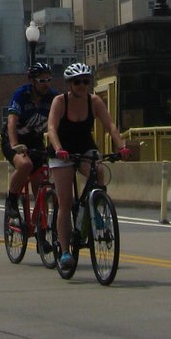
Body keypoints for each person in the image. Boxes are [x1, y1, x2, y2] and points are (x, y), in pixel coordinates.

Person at [46, 62, 129, 269]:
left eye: (85, 81)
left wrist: (122, 146)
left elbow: (110, 125)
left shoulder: (94, 102)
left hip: (84, 148)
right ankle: (65, 252)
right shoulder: (60, 101)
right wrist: (58, 149)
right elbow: (51, 128)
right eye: (77, 82)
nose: (82, 85)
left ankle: (93, 209)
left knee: (99, 171)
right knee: (65, 203)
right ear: (69, 84)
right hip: (62, 151)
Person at [2, 62, 58, 222]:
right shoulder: (21, 94)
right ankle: (11, 200)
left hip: (35, 141)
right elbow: (12, 121)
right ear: (32, 81)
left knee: (40, 186)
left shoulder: (52, 97)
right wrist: (14, 145)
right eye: (42, 81)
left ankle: (42, 227)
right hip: (13, 139)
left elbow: (58, 123)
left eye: (49, 80)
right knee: (25, 165)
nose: (46, 84)